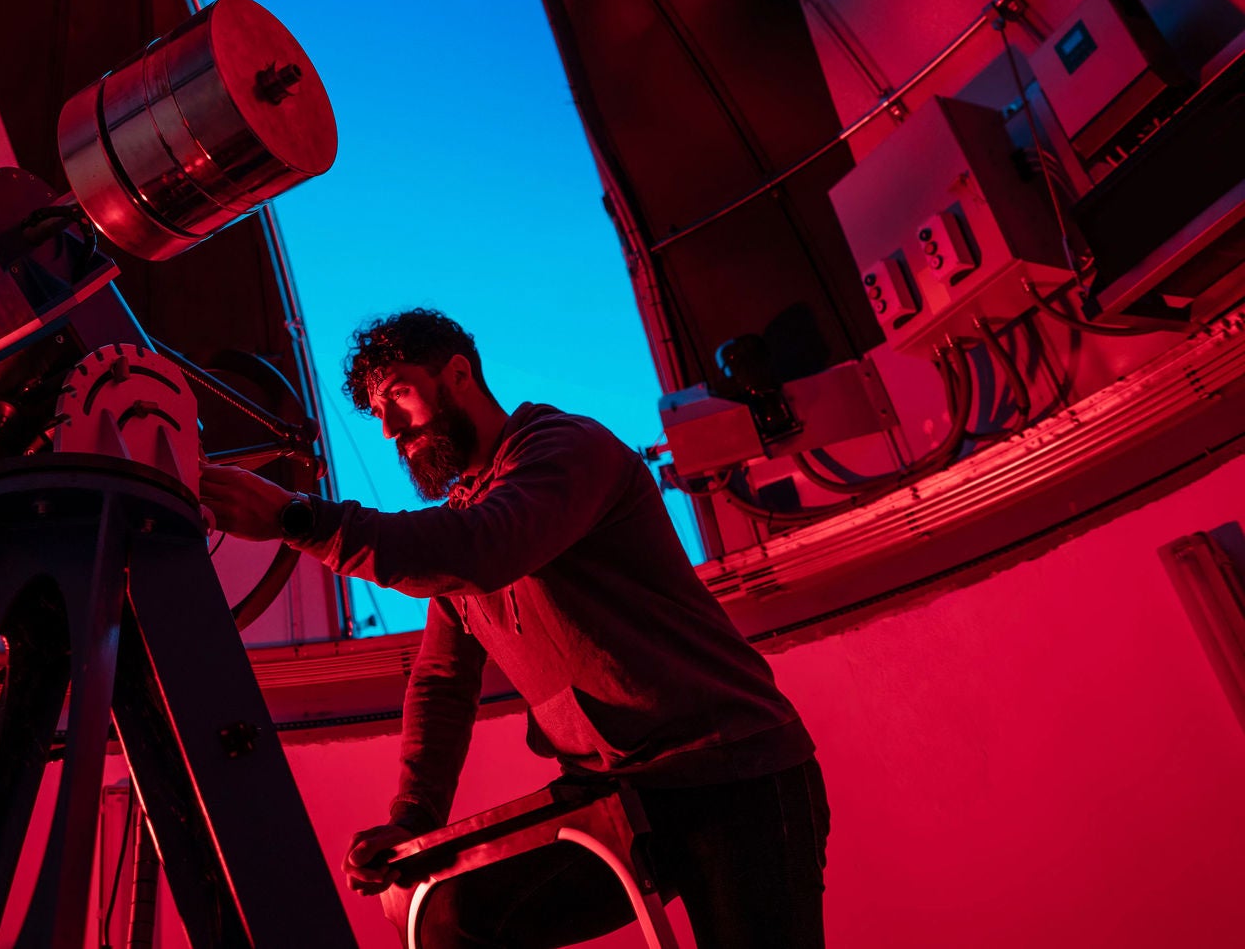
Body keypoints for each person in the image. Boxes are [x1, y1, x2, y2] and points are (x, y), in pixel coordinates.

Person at [199, 309, 828, 949]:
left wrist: (299, 518)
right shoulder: (468, 509)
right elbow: (442, 681)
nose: (388, 429)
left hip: (738, 771)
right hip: (619, 793)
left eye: (398, 396)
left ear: (458, 373)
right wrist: (412, 817)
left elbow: (483, 550)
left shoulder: (562, 449)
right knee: (452, 917)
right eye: (376, 413)